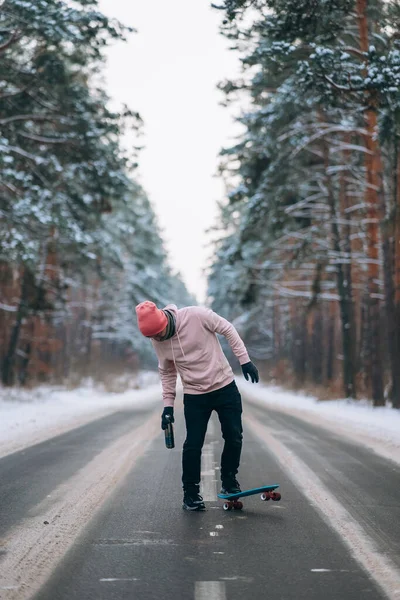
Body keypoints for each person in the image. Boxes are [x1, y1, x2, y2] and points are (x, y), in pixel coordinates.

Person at [135, 301, 259, 511]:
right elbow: (167, 372)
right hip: (194, 395)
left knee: (234, 435)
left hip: (224, 385)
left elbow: (227, 328)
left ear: (164, 321)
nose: (156, 338)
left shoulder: (196, 316)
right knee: (192, 444)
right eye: (151, 337)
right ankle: (190, 494)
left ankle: (230, 482)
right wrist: (168, 407)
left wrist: (244, 360)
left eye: (158, 333)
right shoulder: (158, 339)